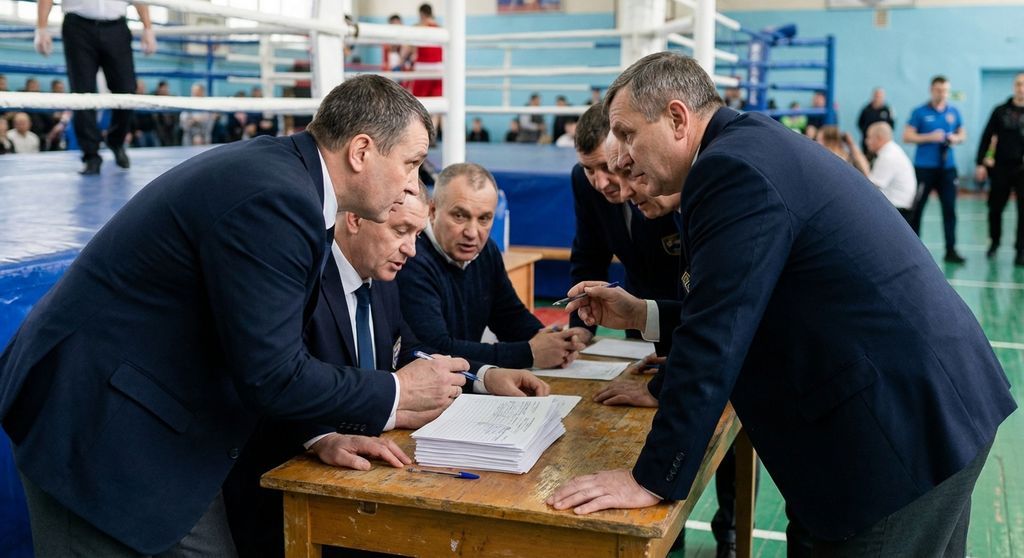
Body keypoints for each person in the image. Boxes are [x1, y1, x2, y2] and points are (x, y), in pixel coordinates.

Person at [547, 52, 1016, 557]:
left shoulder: (727, 170)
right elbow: (751, 303)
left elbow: (717, 335)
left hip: (892, 437)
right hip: (929, 407)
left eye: (627, 134)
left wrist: (653, 478)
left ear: (678, 119)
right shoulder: (749, 144)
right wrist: (644, 314)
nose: (618, 159)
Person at [0, 74, 470, 557]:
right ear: (361, 151)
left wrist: (319, 432)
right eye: (410, 163)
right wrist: (399, 391)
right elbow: (272, 373)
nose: (412, 184)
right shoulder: (279, 199)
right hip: (93, 420)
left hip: (152, 412)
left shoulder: (289, 180)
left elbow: (256, 345)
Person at [224, 190, 549, 557]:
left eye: (415, 233)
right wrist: (320, 436)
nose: (411, 248)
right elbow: (270, 379)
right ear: (355, 219)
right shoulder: (300, 279)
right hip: (277, 493)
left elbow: (410, 350)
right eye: (400, 231)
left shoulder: (381, 277)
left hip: (366, 479)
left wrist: (484, 377)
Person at [399, 162, 587, 370]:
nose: (472, 232)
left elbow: (509, 316)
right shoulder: (411, 258)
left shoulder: (486, 251)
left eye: (484, 219)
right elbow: (433, 349)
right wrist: (530, 353)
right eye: (460, 216)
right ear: (432, 211)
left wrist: (552, 341)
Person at [569, 102, 681, 345]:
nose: (600, 182)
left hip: (687, 315)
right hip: (637, 315)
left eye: (606, 167)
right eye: (588, 169)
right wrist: (581, 328)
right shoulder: (583, 183)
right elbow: (589, 255)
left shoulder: (666, 187)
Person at [35, 0, 157, 174]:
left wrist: (148, 28)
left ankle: (116, 140)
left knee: (127, 88)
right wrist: (41, 28)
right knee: (83, 94)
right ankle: (90, 155)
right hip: (78, 27)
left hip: (117, 27)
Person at [904, 75, 967, 263]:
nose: (942, 94)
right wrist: (930, 137)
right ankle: (913, 250)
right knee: (917, 209)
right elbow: (907, 136)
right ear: (932, 90)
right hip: (925, 168)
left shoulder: (954, 112)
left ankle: (951, 250)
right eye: (939, 90)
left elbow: (962, 133)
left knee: (950, 209)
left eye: (945, 90)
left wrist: (956, 138)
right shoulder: (920, 112)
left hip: (947, 169)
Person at [975, 72, 1024, 265]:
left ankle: (1021, 250)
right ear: (1014, 86)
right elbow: (986, 137)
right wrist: (980, 162)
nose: (1021, 88)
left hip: (1023, 171)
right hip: (1001, 168)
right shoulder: (1000, 111)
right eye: (1018, 84)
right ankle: (994, 243)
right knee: (995, 209)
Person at [847, 122, 917, 224]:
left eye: (869, 137)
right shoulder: (891, 150)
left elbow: (870, 186)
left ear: (879, 138)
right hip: (899, 206)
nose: (867, 142)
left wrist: (854, 149)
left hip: (898, 210)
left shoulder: (888, 156)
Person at [857, 87, 894, 157]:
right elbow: (859, 123)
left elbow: (891, 126)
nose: (878, 98)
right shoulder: (866, 109)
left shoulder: (887, 110)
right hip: (868, 145)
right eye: (876, 96)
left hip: (882, 144)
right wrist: (869, 135)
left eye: (880, 96)